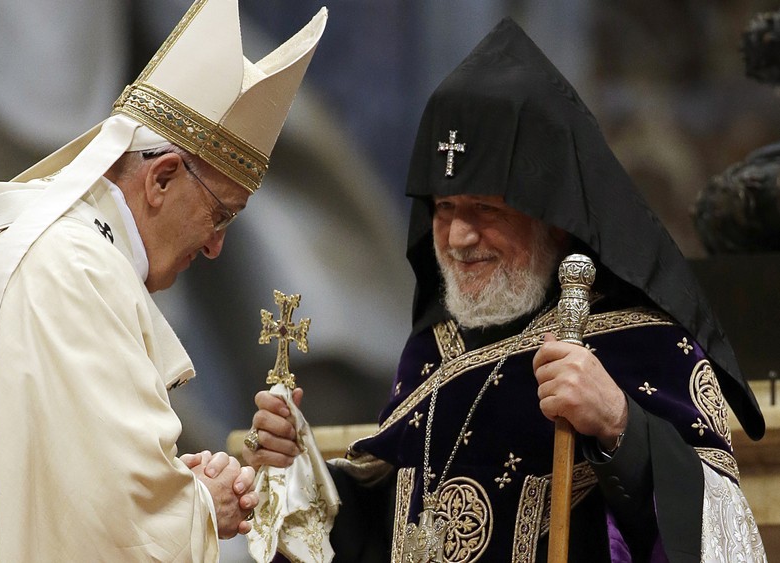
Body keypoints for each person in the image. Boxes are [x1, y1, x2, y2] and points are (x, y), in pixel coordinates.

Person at [243, 18, 767, 563]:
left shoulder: (643, 348)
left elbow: (719, 533)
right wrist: (298, 476)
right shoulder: (434, 353)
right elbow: (390, 530)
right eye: (444, 209)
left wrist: (620, 425)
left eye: (484, 210)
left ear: (554, 219)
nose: (458, 237)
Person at [0, 1, 326, 561]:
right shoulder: (81, 270)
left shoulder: (18, 238)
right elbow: (112, 530)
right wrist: (201, 507)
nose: (215, 245)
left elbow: (49, 485)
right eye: (220, 213)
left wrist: (168, 483)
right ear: (163, 177)